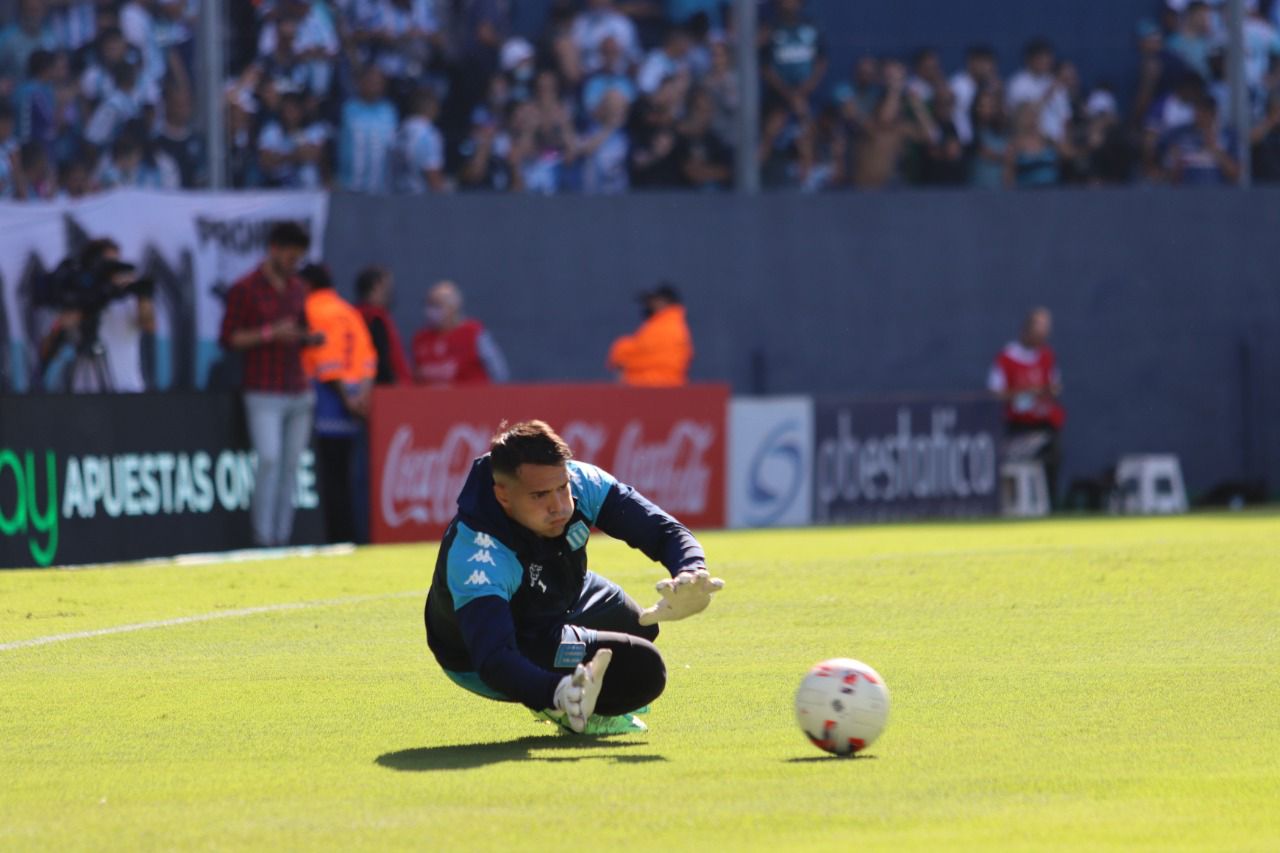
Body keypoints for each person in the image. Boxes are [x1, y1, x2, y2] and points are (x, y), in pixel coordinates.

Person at [424, 419, 725, 734]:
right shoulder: (479, 553)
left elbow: (663, 531)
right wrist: (554, 691)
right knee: (644, 670)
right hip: (482, 653)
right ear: (503, 497)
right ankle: (568, 707)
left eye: (562, 487)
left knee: (637, 624)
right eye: (540, 496)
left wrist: (691, 570)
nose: (559, 506)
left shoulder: (582, 481)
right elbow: (493, 659)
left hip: (558, 597)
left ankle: (570, 688)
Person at [218, 221, 315, 548]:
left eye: (298, 257)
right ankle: (263, 538)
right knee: (270, 459)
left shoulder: (299, 288)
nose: (293, 262)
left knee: (290, 468)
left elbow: (298, 329)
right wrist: (270, 333)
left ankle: (282, 538)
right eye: (290, 255)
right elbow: (228, 338)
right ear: (273, 248)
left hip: (298, 387)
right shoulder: (245, 288)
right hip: (263, 388)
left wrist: (306, 338)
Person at [299, 263, 376, 545]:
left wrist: (346, 397)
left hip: (327, 402)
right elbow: (368, 358)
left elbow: (327, 362)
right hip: (353, 407)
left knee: (329, 478)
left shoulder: (311, 309)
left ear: (306, 285)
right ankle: (349, 536)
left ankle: (335, 538)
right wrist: (361, 398)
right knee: (345, 476)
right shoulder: (349, 311)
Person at [988, 307, 1065, 506]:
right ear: (1026, 330)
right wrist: (1027, 392)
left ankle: (1051, 504)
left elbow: (1054, 387)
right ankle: (1016, 504)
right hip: (1018, 428)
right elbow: (994, 394)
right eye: (1038, 329)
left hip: (1045, 425)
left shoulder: (1047, 356)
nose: (1043, 335)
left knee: (1054, 451)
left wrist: (1048, 391)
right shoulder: (1006, 358)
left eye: (1046, 330)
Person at [412, 279, 509, 386]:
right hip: (432, 401)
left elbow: (499, 373)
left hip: (472, 400)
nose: (431, 311)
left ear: (454, 307)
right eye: (429, 304)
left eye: (437, 305)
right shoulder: (421, 338)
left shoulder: (473, 332)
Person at [606, 282, 693, 386]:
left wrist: (620, 348)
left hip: (657, 390)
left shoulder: (669, 327)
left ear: (662, 302)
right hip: (656, 390)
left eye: (651, 301)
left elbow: (638, 355)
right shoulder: (661, 325)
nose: (647, 306)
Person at [354, 265, 412, 385]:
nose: (391, 292)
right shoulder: (373, 318)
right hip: (382, 392)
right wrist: (392, 383)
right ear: (376, 286)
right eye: (388, 286)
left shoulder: (354, 315)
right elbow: (379, 360)